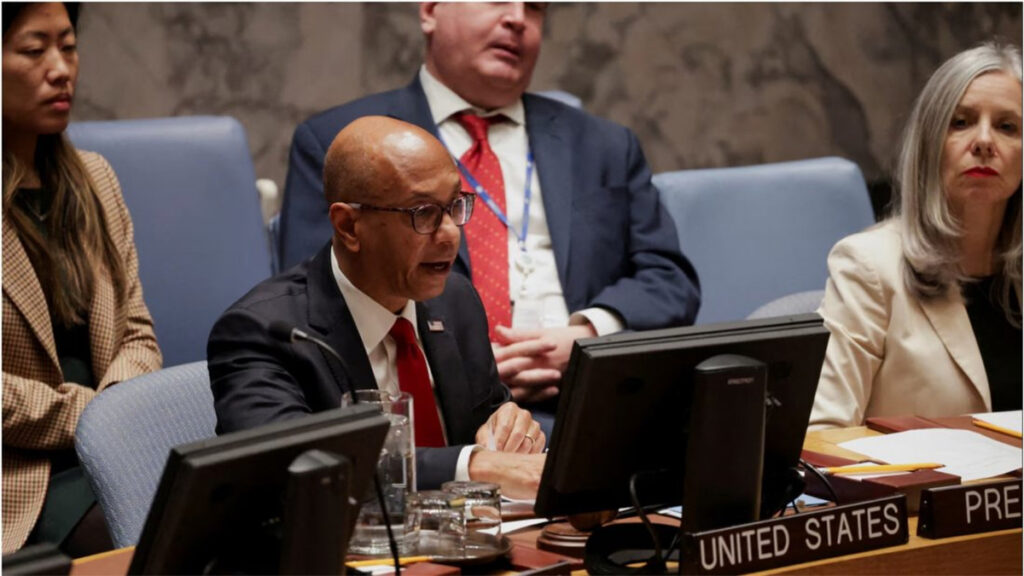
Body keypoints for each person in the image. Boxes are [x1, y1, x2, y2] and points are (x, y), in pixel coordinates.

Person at [280, 2, 700, 405]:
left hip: (590, 397)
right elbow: (316, 305)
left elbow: (668, 280)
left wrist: (589, 336)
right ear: (430, 10)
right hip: (435, 409)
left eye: (534, 6)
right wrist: (460, 370)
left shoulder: (605, 145)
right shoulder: (343, 143)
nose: (518, 18)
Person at [209, 116, 546, 499]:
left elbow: (490, 419)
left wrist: (511, 428)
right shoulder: (264, 332)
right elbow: (292, 465)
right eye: (423, 212)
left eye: (455, 205)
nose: (450, 233)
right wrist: (473, 465)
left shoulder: (455, 300)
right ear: (349, 226)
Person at [2, 2, 163, 555]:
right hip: (17, 472)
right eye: (33, 50)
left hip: (116, 453)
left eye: (68, 47)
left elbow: (138, 334)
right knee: (152, 544)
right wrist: (99, 419)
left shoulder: (96, 179)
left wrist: (114, 425)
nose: (60, 69)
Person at [810, 43, 1022, 429]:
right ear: (929, 145)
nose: (984, 141)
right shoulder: (868, 267)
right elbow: (822, 435)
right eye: (961, 122)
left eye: (1007, 127)